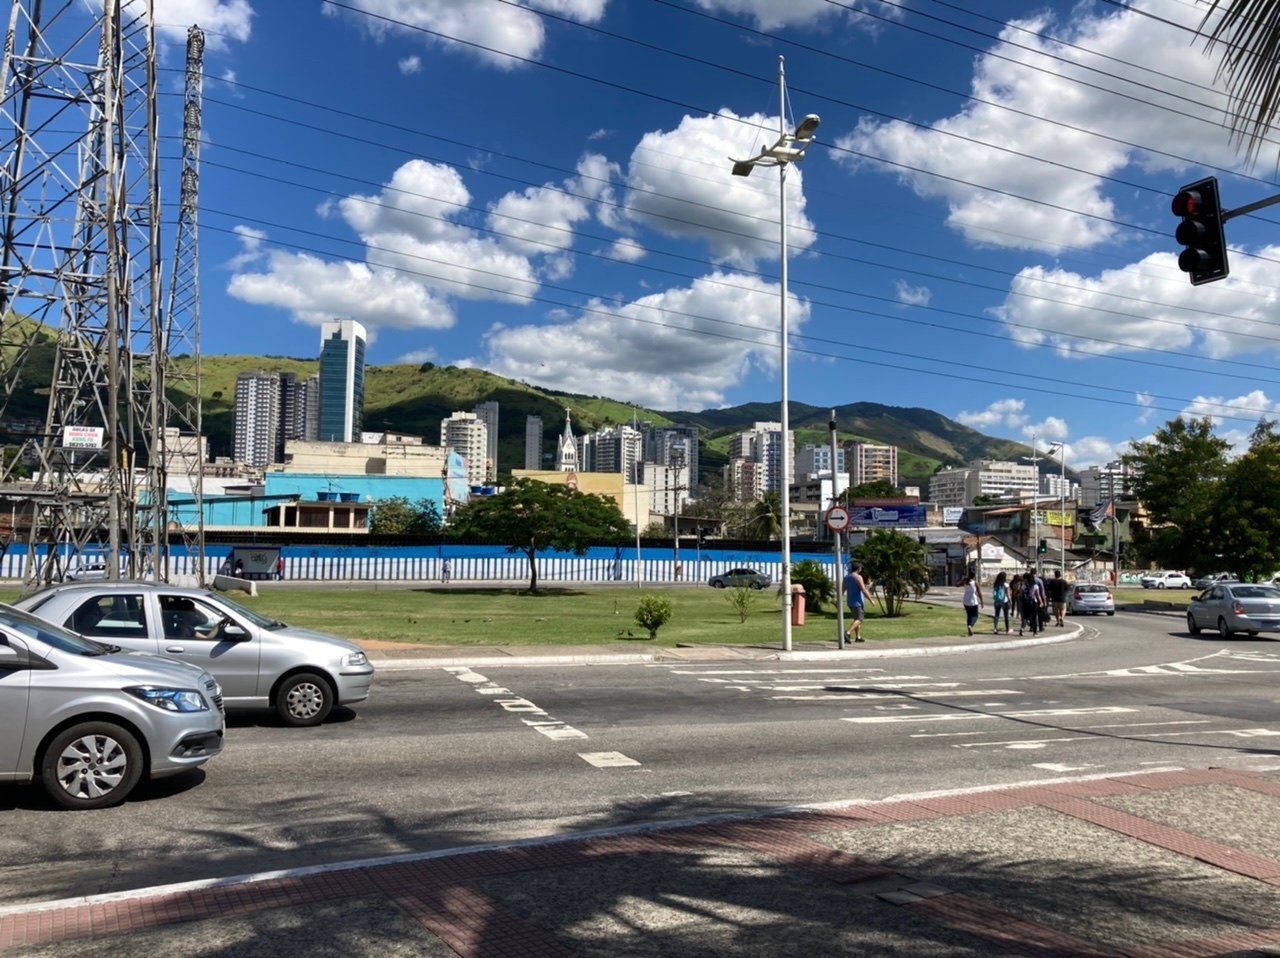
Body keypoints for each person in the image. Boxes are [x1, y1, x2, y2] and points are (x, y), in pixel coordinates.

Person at [842, 562, 872, 643]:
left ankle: (858, 637)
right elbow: (863, 590)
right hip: (857, 602)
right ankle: (847, 632)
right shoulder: (858, 577)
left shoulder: (846, 577)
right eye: (861, 568)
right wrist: (871, 600)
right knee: (860, 619)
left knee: (856, 619)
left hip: (850, 601)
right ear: (858, 569)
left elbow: (842, 590)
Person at [1019, 572, 1042, 636]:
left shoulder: (1024, 585)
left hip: (1025, 603)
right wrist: (1041, 602)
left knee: (1025, 617)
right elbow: (1038, 595)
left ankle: (1022, 628)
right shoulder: (1035, 586)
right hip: (1033, 602)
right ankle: (1035, 632)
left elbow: (1021, 594)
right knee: (1034, 618)